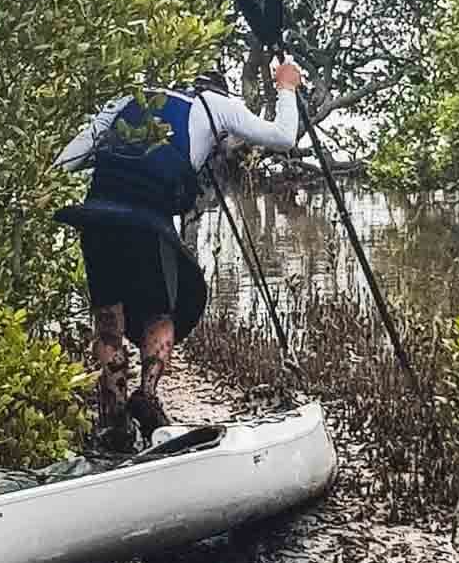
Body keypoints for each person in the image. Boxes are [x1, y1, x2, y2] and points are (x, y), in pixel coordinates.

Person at [55, 59, 303, 447]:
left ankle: (115, 419)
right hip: (147, 227)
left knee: (109, 319)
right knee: (163, 311)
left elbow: (64, 163)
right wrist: (286, 88)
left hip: (97, 221)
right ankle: (147, 394)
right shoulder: (215, 105)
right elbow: (285, 138)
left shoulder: (124, 101)